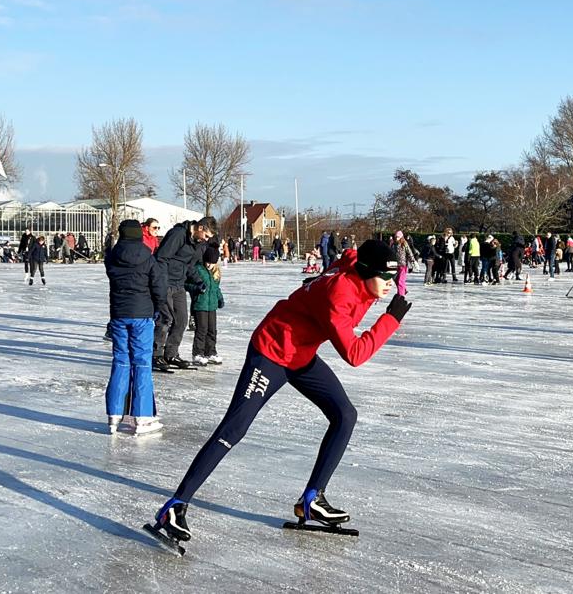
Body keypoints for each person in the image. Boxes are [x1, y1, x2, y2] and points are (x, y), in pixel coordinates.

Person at [149, 241, 411, 543]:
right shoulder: (340, 294)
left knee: (345, 414)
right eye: (384, 277)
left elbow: (350, 256)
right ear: (365, 272)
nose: (390, 284)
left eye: (393, 277)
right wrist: (390, 319)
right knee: (234, 429)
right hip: (271, 352)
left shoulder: (356, 267)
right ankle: (175, 505)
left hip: (301, 354)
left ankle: (312, 499)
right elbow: (355, 353)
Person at [105, 220, 168, 435]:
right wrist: (158, 307)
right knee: (141, 363)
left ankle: (114, 416)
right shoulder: (147, 257)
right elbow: (159, 286)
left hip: (119, 315)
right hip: (142, 316)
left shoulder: (112, 257)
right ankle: (142, 416)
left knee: (121, 362)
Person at [153, 217, 216, 372]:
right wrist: (161, 282)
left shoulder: (195, 242)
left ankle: (171, 354)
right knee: (165, 319)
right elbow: (161, 258)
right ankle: (155, 355)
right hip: (166, 282)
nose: (206, 240)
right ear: (200, 228)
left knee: (181, 320)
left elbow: (188, 265)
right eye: (206, 236)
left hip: (179, 284)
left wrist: (198, 281)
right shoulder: (178, 234)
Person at [187, 243, 224, 366]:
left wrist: (220, 299)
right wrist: (197, 288)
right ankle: (198, 353)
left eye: (212, 262)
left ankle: (211, 352)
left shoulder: (216, 273)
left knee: (212, 330)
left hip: (211, 306)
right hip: (200, 305)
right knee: (201, 329)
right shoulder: (198, 270)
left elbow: (216, 289)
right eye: (207, 261)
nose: (209, 264)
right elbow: (186, 284)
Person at [392, 231, 415, 295]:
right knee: (396, 280)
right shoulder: (394, 244)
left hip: (403, 265)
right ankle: (403, 290)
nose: (396, 238)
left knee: (400, 281)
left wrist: (412, 261)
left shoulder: (404, 243)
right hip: (395, 265)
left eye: (398, 237)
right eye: (396, 237)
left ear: (401, 237)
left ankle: (400, 295)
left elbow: (409, 252)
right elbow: (391, 253)